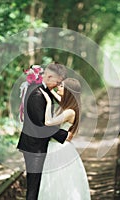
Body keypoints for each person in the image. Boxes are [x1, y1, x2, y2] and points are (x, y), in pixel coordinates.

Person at [17, 62, 73, 200]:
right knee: (34, 186)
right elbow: (41, 125)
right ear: (49, 76)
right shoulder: (36, 94)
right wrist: (65, 135)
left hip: (38, 144)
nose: (57, 85)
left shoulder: (43, 89)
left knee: (40, 184)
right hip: (34, 146)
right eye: (57, 81)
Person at [37, 78, 91, 200]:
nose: (58, 87)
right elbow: (56, 95)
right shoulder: (69, 106)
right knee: (54, 182)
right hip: (60, 147)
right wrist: (46, 87)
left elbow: (48, 122)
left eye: (61, 86)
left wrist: (48, 103)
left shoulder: (69, 112)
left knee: (58, 183)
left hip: (59, 149)